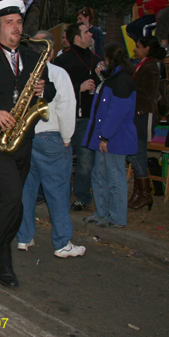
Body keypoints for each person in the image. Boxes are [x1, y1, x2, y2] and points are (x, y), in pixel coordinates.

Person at [0, 0, 56, 288]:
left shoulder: (31, 57)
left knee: (3, 199)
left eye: (19, 22)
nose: (17, 28)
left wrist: (44, 89)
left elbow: (49, 92)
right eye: (10, 23)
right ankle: (2, 259)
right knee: (13, 199)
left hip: (22, 141)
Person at [15, 31, 84, 257]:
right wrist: (67, 138)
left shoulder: (21, 71)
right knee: (58, 190)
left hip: (26, 137)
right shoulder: (58, 72)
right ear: (51, 51)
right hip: (51, 136)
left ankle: (24, 237)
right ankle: (62, 242)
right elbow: (66, 106)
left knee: (27, 189)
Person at [82, 42, 137, 228]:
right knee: (100, 175)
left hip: (114, 138)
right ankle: (103, 212)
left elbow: (117, 113)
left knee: (114, 177)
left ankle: (117, 217)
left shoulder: (121, 80)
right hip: (105, 136)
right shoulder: (113, 78)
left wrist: (105, 137)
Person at [54, 22, 105, 211]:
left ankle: (82, 196)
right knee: (64, 159)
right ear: (77, 38)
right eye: (86, 32)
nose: (91, 34)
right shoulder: (62, 61)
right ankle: (62, 195)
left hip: (88, 119)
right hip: (67, 117)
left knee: (85, 159)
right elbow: (55, 90)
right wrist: (78, 88)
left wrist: (103, 76)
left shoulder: (96, 59)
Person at [127, 36, 166, 210]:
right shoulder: (143, 64)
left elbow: (148, 92)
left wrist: (129, 88)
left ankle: (145, 194)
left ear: (147, 48)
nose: (135, 49)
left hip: (142, 115)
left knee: (139, 154)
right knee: (135, 154)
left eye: (138, 46)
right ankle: (139, 193)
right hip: (137, 114)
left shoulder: (151, 67)